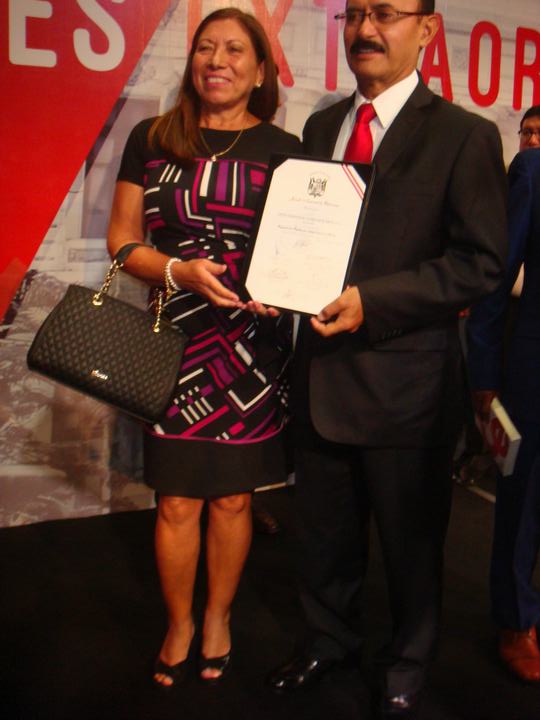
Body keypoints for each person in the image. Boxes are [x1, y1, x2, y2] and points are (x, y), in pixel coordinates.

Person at [266, 1, 507, 717]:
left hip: (407, 385)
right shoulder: (321, 127)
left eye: (387, 15)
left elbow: (480, 263)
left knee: (411, 545)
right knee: (323, 536)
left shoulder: (464, 135)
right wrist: (276, 282)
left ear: (426, 30)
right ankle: (328, 640)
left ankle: (406, 663)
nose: (366, 30)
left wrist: (373, 301)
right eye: (355, 14)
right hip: (320, 375)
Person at [107, 7, 301, 688]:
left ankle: (217, 617)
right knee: (176, 502)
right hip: (175, 346)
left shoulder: (286, 149)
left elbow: (302, 250)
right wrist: (176, 271)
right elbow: (122, 241)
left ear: (260, 70)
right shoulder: (153, 137)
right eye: (206, 48)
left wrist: (287, 289)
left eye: (235, 50)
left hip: (251, 350)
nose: (217, 61)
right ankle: (179, 623)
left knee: (234, 501)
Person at [467, 126, 540, 682]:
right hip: (534, 372)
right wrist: (485, 372)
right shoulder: (532, 170)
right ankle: (515, 621)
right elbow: (495, 281)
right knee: (522, 503)